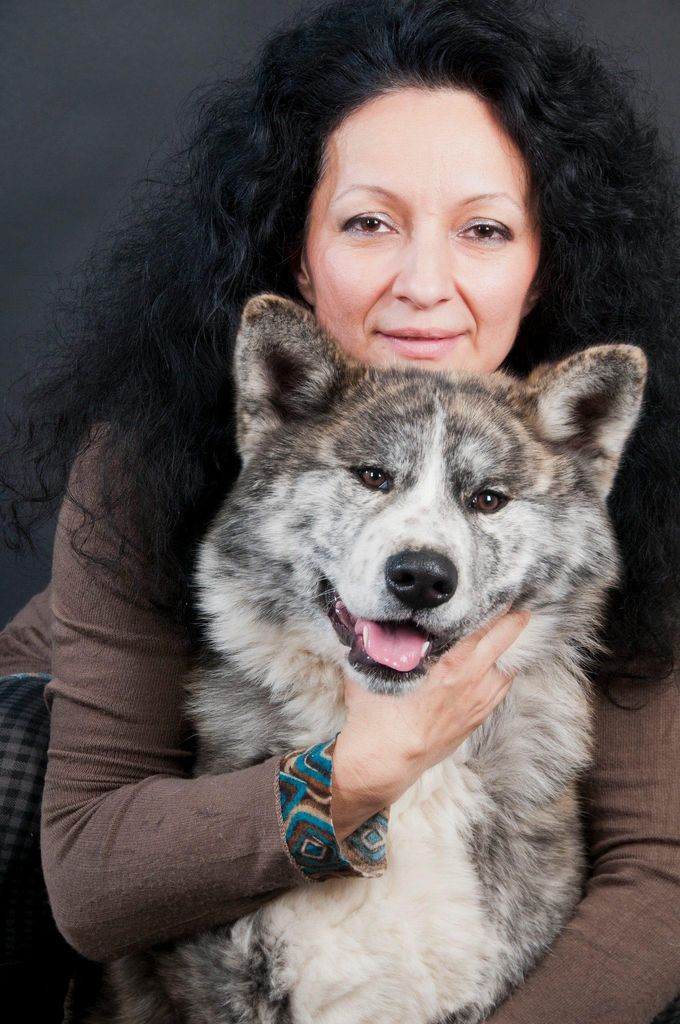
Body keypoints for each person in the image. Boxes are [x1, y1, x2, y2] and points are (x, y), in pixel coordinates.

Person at [1, 1, 679, 1021]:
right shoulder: (148, 454)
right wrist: (357, 774)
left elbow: (658, 873)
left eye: (483, 230)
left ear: (544, 264)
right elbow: (94, 884)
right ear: (296, 248)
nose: (423, 284)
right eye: (369, 222)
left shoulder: (615, 474)